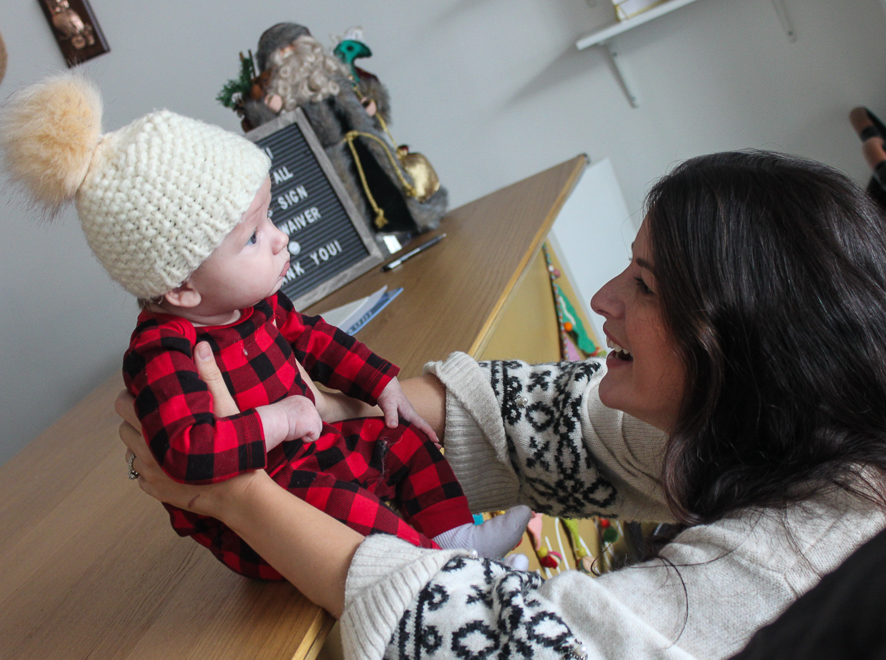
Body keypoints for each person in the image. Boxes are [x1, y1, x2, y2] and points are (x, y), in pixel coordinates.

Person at [117, 150, 886, 660]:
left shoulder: (792, 565)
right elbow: (559, 416)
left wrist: (236, 490)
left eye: (643, 283)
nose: (603, 298)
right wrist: (342, 401)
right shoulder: (819, 421)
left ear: (740, 348)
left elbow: (498, 640)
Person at [0, 73, 529, 581]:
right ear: (181, 288)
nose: (281, 239)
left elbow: (315, 338)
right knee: (356, 517)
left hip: (312, 454)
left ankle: (458, 539)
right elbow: (187, 449)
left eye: (270, 217)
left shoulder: (256, 307)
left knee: (402, 442)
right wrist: (276, 421)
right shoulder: (161, 351)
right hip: (266, 514)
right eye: (252, 236)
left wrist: (380, 383)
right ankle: (446, 574)